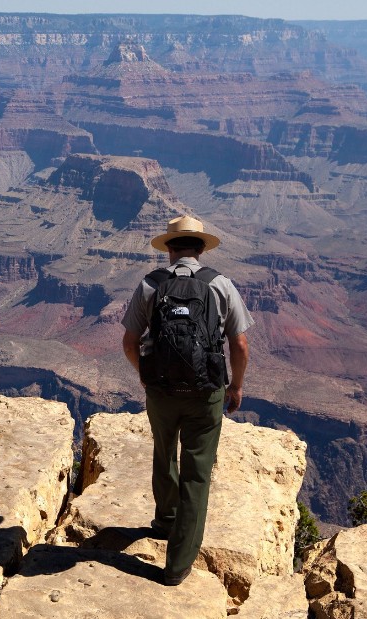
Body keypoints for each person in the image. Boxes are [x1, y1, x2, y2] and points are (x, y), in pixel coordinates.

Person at [120, 215, 253, 586]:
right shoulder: (220, 285)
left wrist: (146, 377)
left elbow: (129, 343)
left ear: (168, 249)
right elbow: (240, 345)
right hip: (205, 393)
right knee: (196, 474)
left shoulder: (151, 284)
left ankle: (164, 521)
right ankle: (177, 565)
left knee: (164, 453)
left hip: (161, 392)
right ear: (201, 248)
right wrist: (236, 387)